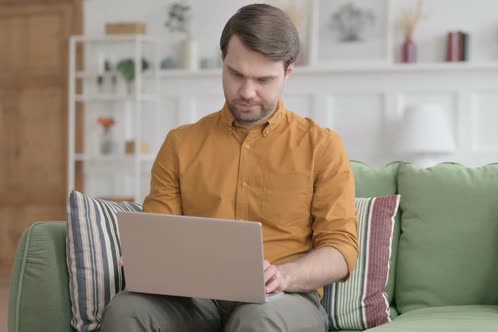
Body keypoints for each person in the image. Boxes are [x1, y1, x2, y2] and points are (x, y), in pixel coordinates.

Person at [101, 4, 358, 332]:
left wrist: (285, 275)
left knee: (257, 320)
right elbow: (161, 233)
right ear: (222, 60)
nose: (247, 92)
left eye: (264, 79)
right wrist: (149, 261)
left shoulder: (322, 146)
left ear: (288, 72)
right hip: (194, 301)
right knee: (127, 310)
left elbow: (341, 248)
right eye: (236, 74)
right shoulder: (180, 144)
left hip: (282, 300)